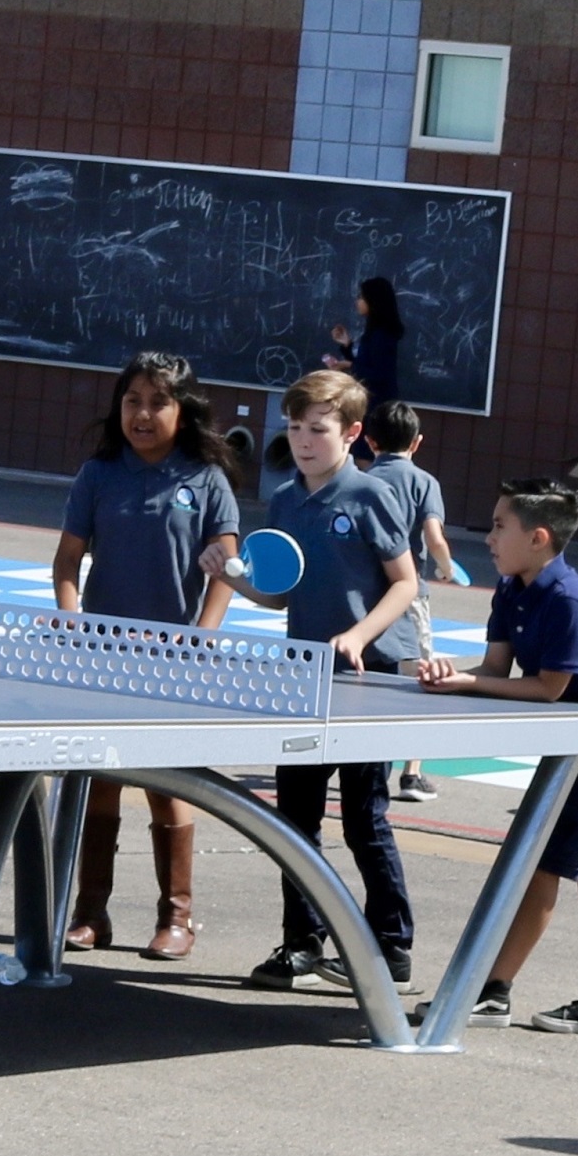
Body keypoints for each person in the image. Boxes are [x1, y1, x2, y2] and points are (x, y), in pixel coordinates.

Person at [414, 480, 578, 1034]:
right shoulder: (512, 587)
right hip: (573, 746)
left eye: (499, 526)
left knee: (543, 868)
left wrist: (469, 683)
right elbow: (495, 672)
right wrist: (458, 676)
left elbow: (548, 689)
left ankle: (491, 990)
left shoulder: (567, 600)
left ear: (538, 538)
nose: (489, 536)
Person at [230, 370, 426, 993]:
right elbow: (275, 594)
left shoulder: (370, 496)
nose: (304, 440)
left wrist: (360, 635)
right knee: (296, 817)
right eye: (294, 428)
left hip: (370, 676)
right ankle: (301, 943)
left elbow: (405, 583)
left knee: (364, 817)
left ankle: (391, 947)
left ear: (352, 433)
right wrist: (230, 576)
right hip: (305, 674)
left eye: (318, 429)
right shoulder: (286, 500)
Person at [49, 352, 240, 958]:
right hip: (103, 659)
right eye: (133, 400)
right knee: (98, 784)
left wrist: (201, 637)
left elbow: (227, 570)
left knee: (167, 785)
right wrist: (73, 619)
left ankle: (177, 919)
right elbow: (66, 562)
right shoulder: (99, 474)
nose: (143, 413)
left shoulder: (205, 480)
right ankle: (89, 914)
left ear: (184, 412)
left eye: (158, 401)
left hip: (170, 665)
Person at [364, 400, 464, 799]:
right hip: (409, 593)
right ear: (417, 442)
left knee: (371, 679)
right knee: (419, 678)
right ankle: (411, 773)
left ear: (369, 441)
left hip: (367, 594)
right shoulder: (424, 482)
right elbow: (434, 539)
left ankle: (365, 762)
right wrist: (447, 568)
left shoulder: (365, 479)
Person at [321, 276, 405, 411]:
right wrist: (347, 345)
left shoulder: (382, 335)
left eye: (361, 297)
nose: (357, 302)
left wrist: (348, 365)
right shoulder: (374, 331)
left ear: (373, 300)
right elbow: (364, 366)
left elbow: (378, 374)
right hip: (369, 402)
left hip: (378, 406)